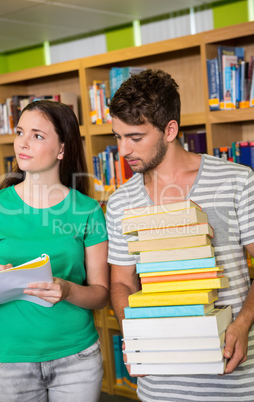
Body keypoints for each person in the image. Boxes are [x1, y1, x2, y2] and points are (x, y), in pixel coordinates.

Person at [106, 69, 254, 401]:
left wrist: (243, 324)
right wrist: (133, 331)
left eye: (136, 137)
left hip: (234, 381)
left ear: (170, 129)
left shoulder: (237, 180)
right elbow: (122, 282)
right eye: (117, 136)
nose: (123, 150)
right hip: (160, 386)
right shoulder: (119, 202)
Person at [0, 100, 109, 402]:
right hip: (9, 361)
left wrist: (67, 290)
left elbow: (101, 293)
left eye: (37, 135)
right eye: (19, 132)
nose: (23, 143)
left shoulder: (88, 211)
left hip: (76, 359)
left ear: (62, 149)